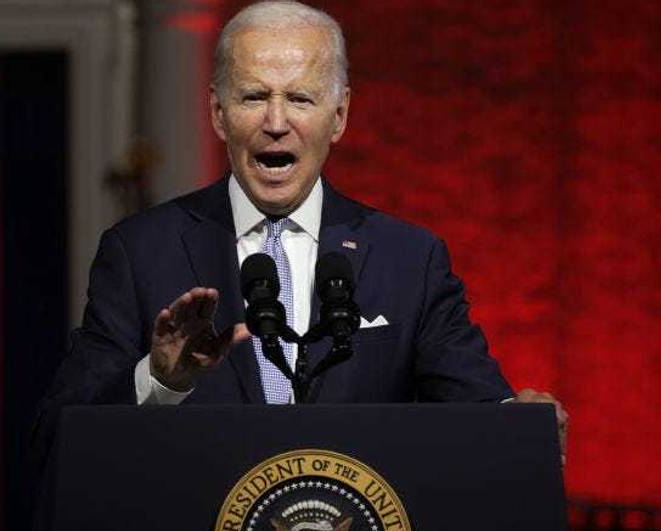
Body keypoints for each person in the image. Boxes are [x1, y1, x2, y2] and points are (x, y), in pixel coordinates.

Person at [35, 1, 568, 454]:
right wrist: (159, 380)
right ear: (219, 114)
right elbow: (59, 432)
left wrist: (520, 424)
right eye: (253, 97)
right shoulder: (140, 251)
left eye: (300, 98)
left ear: (338, 117)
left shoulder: (409, 260)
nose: (275, 121)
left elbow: (477, 408)